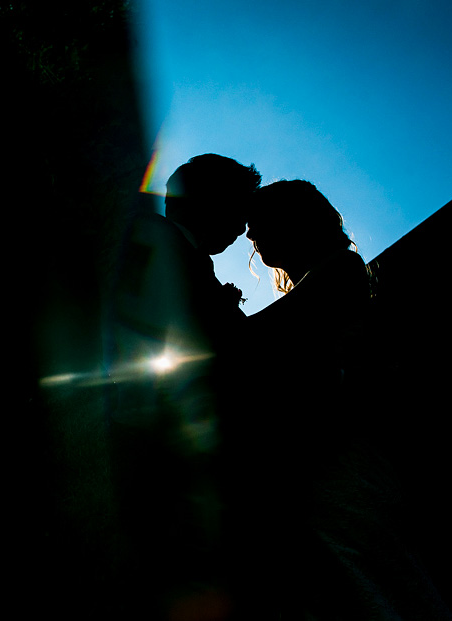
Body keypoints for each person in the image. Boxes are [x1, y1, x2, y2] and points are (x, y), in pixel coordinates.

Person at [228, 180, 452, 619]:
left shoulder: (341, 269)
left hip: (345, 457)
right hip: (328, 458)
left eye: (261, 222)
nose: (250, 234)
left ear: (296, 221)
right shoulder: (319, 279)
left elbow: (259, 337)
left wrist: (216, 312)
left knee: (380, 586)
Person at [108, 153, 261, 615]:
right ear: (211, 201)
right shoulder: (154, 242)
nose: (243, 229)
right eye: (239, 211)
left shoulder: (178, 251)